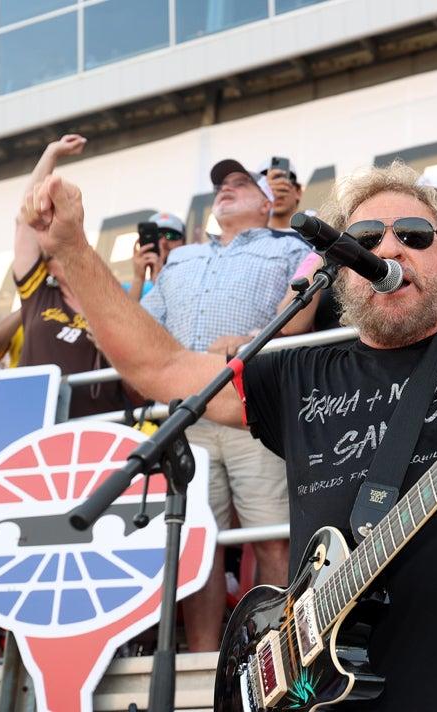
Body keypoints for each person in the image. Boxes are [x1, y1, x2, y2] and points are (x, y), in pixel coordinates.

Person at [19, 30, 437, 710]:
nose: (390, 248)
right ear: (341, 269)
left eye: (414, 237)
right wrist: (71, 250)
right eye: (367, 239)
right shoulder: (298, 374)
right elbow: (161, 365)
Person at [140, 157, 309, 651]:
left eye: (241, 184)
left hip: (250, 408)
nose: (227, 190)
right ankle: (202, 662)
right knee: (198, 546)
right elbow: (146, 325)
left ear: (266, 202)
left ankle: (283, 654)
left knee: (272, 537)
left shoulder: (292, 246)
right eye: (221, 186)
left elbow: (301, 312)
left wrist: (252, 340)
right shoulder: (180, 259)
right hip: (185, 415)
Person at [13, 135, 130, 420]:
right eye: (56, 253)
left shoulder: (108, 300)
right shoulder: (39, 294)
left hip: (101, 425)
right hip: (39, 423)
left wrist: (114, 348)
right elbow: (24, 222)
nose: (66, 256)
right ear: (48, 268)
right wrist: (51, 154)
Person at [128, 211, 187, 300]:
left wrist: (160, 279)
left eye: (171, 236)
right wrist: (138, 278)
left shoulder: (193, 281)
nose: (163, 242)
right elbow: (127, 313)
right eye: (157, 235)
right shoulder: (127, 287)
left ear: (184, 242)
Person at [258, 158, 304, 232]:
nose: (276, 194)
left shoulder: (315, 231)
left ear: (298, 192)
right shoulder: (248, 237)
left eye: (283, 185)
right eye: (268, 188)